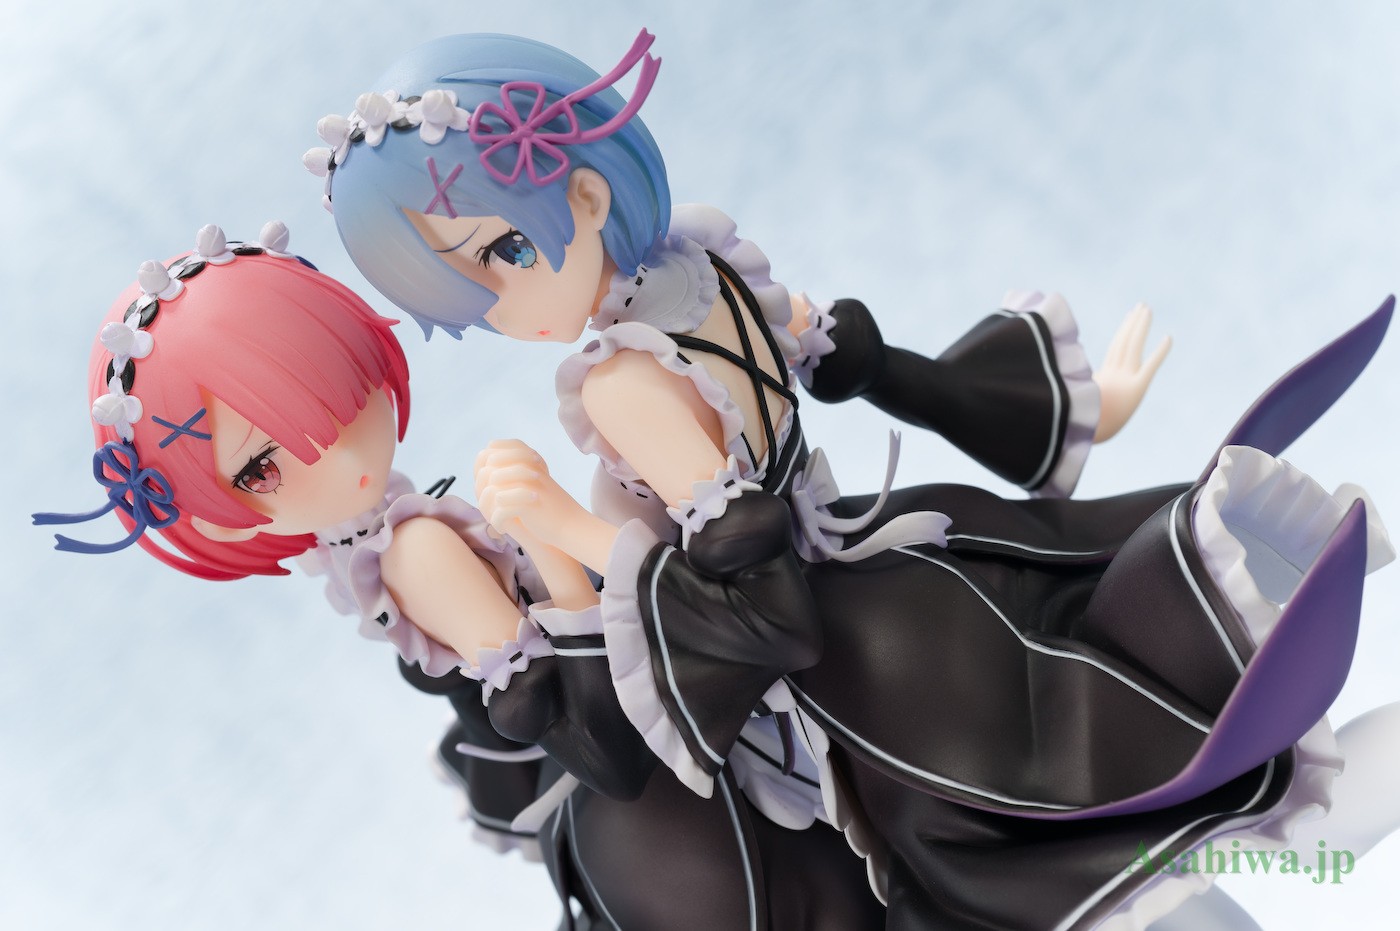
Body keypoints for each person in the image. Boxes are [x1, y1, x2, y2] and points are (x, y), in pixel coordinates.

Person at [312, 29, 1397, 929]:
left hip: (861, 669)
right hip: (913, 564)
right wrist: (1073, 409)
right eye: (462, 284)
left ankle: (1304, 831)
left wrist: (566, 525)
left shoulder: (620, 383)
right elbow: (860, 362)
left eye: (501, 252)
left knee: (1009, 869)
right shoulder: (708, 276)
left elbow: (757, 595)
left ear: (586, 194)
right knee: (1115, 771)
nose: (499, 306)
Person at [35, 222, 883, 930]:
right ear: (222, 516)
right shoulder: (412, 553)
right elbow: (612, 755)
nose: (324, 448)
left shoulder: (395, 542)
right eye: (261, 467)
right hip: (657, 780)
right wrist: (558, 544)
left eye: (327, 386)